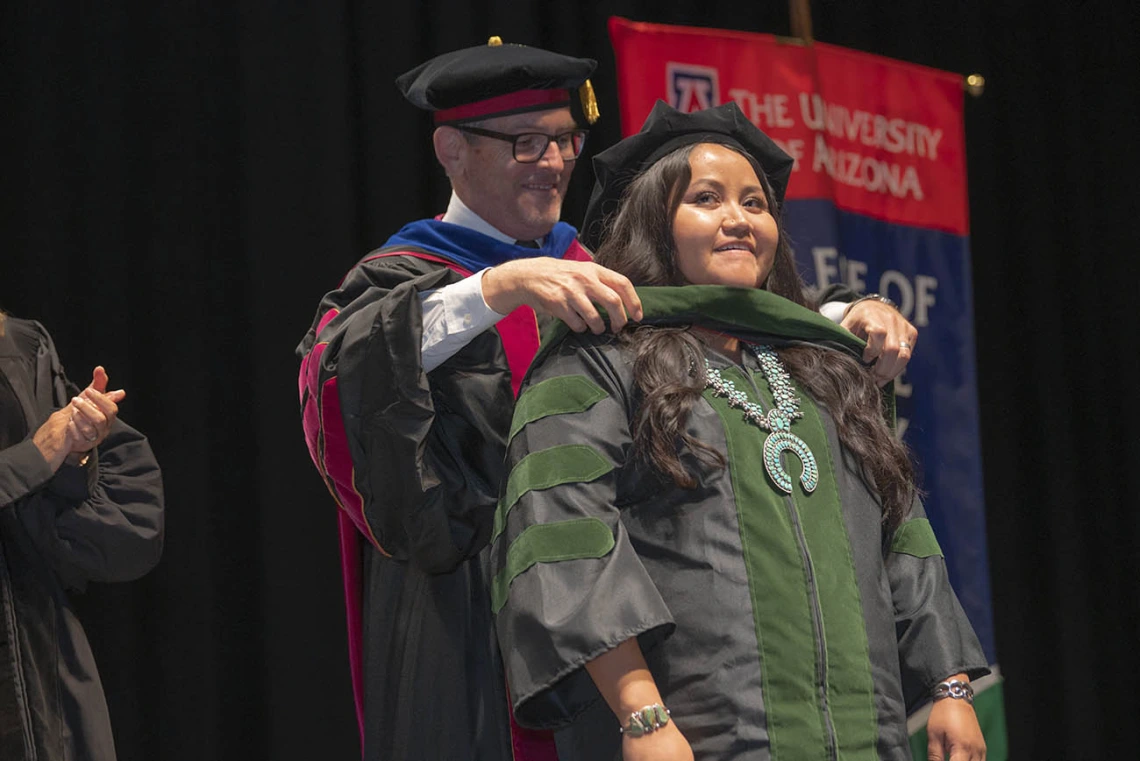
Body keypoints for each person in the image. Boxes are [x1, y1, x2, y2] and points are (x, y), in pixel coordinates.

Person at [297, 37, 919, 760]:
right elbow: (335, 381)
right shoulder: (411, 277)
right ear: (451, 149)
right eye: (527, 142)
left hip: (611, 605)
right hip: (466, 610)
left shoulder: (596, 267)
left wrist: (850, 316)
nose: (555, 162)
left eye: (565, 139)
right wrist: (495, 289)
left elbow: (719, 319)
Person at [491, 101, 988, 761]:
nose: (738, 219)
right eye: (706, 198)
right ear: (655, 223)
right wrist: (643, 719)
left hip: (866, 737)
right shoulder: (598, 361)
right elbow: (569, 544)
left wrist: (950, 685)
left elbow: (900, 531)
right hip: (701, 737)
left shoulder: (819, 369)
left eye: (756, 203)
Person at [0, 312, 164, 761]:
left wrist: (76, 450)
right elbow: (33, 459)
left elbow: (130, 531)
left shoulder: (20, 343)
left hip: (40, 667)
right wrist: (34, 458)